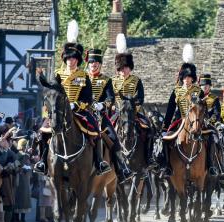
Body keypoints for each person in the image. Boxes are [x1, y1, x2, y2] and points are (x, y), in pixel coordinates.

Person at [36, 20, 110, 176]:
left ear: (78, 59)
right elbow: (50, 94)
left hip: (78, 111)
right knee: (41, 132)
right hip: (58, 110)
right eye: (69, 58)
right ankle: (42, 162)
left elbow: (88, 98)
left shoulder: (83, 76)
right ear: (65, 59)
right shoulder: (57, 74)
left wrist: (76, 105)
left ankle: (99, 162)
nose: (71, 61)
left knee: (96, 131)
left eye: (74, 58)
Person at [87, 48, 133, 181]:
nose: (94, 64)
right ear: (88, 64)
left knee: (114, 139)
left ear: (100, 64)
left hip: (100, 116)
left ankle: (121, 169)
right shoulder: (81, 78)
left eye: (96, 62)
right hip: (83, 112)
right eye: (91, 62)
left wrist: (102, 104)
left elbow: (110, 98)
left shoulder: (106, 80)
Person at [112, 33, 157, 169]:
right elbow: (110, 97)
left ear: (130, 67)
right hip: (118, 112)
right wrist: (114, 107)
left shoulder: (136, 80)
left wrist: (134, 108)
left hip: (134, 112)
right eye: (121, 68)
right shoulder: (113, 81)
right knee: (104, 130)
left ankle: (148, 158)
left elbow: (141, 98)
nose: (123, 70)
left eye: (126, 67)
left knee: (149, 129)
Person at [161, 44, 204, 176]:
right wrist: (164, 127)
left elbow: (203, 108)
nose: (187, 79)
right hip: (180, 121)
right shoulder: (176, 91)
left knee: (212, 139)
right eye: (185, 77)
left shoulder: (198, 91)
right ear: (182, 78)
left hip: (197, 122)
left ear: (193, 78)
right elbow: (170, 110)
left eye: (189, 77)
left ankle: (213, 166)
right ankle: (166, 166)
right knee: (165, 139)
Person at [201, 74, 223, 176]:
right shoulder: (195, 97)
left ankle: (214, 165)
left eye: (207, 85)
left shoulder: (214, 98)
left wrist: (210, 121)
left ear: (210, 87)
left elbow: (217, 114)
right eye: (203, 85)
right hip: (196, 126)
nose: (205, 87)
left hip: (208, 127)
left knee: (216, 141)